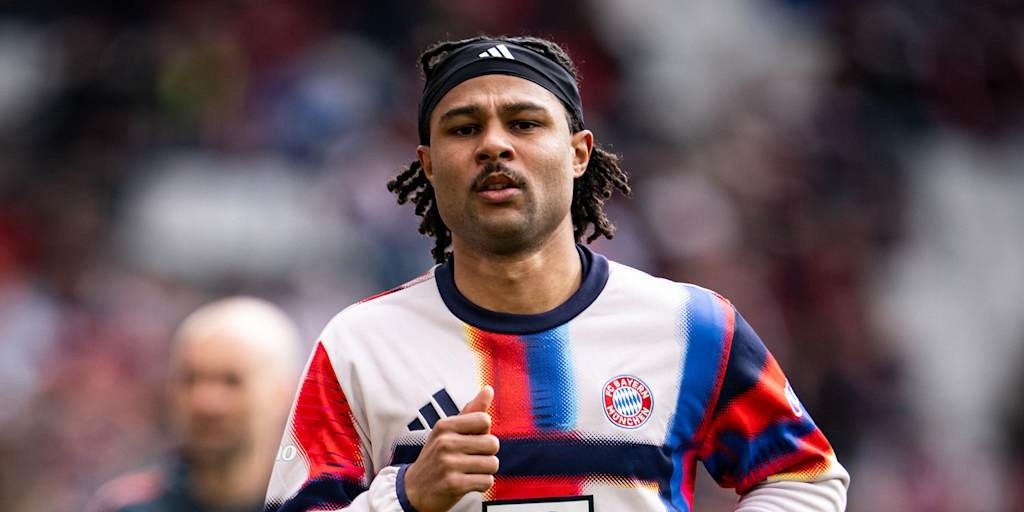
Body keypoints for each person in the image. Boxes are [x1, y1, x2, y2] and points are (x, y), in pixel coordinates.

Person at [265, 35, 850, 511]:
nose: (494, 145)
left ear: (578, 153)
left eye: (524, 123)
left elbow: (805, 478)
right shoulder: (361, 344)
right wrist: (406, 498)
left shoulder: (691, 326)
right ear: (429, 165)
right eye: (464, 129)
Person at [90, 297, 301, 512]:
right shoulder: (128, 506)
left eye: (231, 381)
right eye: (190, 379)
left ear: (283, 392)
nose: (205, 401)